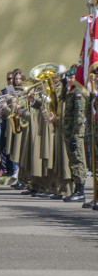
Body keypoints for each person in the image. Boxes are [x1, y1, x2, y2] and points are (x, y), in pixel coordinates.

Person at [61, 70, 88, 202]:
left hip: (75, 133)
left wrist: (76, 134)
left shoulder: (78, 93)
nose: (70, 80)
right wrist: (63, 87)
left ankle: (80, 191)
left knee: (77, 160)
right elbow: (62, 100)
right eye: (68, 78)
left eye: (72, 77)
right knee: (73, 161)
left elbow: (80, 115)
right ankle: (77, 189)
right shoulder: (71, 92)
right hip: (69, 132)